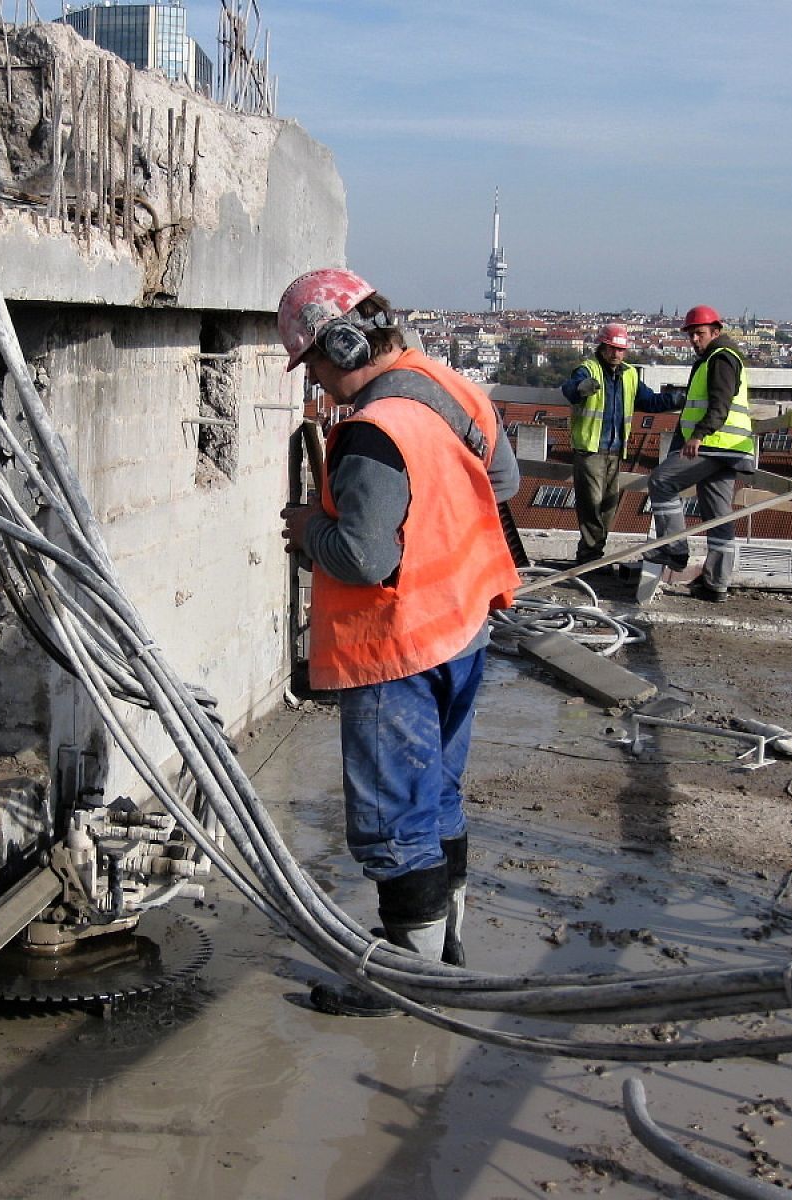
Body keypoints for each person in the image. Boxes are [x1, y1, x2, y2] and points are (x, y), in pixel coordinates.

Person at [276, 267, 521, 1017]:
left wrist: (306, 529)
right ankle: (445, 949)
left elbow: (361, 558)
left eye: (314, 361)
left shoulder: (375, 433)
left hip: (399, 647)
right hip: (463, 625)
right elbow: (502, 483)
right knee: (437, 796)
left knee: (392, 814)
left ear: (345, 342)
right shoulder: (454, 389)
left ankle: (405, 982)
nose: (315, 380)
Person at [642, 305, 755, 602]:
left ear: (715, 332)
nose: (694, 339)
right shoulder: (715, 359)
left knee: (661, 482)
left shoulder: (721, 359)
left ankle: (674, 548)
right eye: (691, 333)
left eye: (699, 333)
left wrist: (698, 436)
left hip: (714, 445)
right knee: (718, 516)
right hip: (729, 449)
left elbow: (720, 404)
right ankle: (717, 583)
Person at [561, 323, 663, 567]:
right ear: (603, 347)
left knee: (608, 505)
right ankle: (590, 556)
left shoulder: (629, 375)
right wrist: (580, 389)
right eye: (612, 348)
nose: (616, 354)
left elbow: (649, 401)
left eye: (621, 350)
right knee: (591, 505)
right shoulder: (588, 370)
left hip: (615, 450)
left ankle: (594, 555)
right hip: (591, 449)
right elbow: (569, 390)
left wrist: (680, 399)